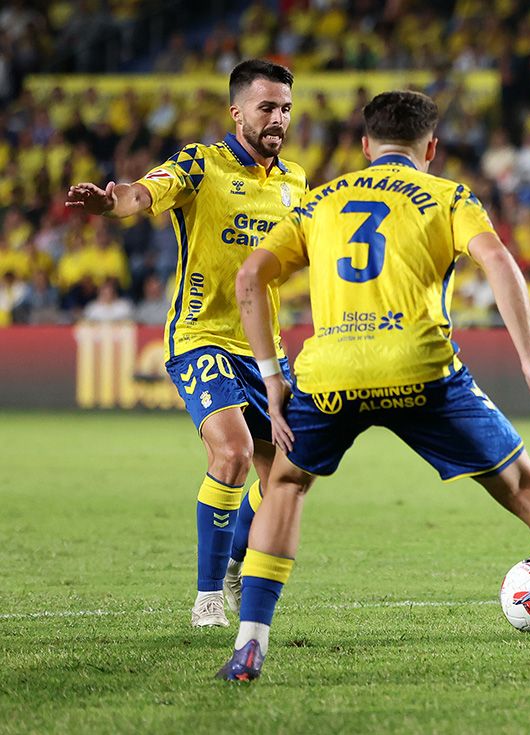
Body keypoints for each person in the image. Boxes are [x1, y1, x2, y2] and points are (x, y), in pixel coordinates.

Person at [221, 91, 530, 681]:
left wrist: (272, 378)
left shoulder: (319, 201)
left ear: (365, 146)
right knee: (528, 491)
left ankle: (250, 645)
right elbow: (499, 263)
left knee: (286, 483)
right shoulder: (448, 196)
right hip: (421, 368)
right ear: (431, 148)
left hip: (331, 373)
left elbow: (250, 276)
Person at [65, 60, 309, 628]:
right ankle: (208, 599)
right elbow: (143, 194)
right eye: (267, 107)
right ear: (237, 111)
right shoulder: (202, 164)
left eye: (285, 109)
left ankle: (235, 563)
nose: (278, 119)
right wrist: (112, 204)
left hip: (264, 349)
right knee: (233, 454)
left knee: (288, 474)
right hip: (201, 338)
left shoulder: (296, 182)